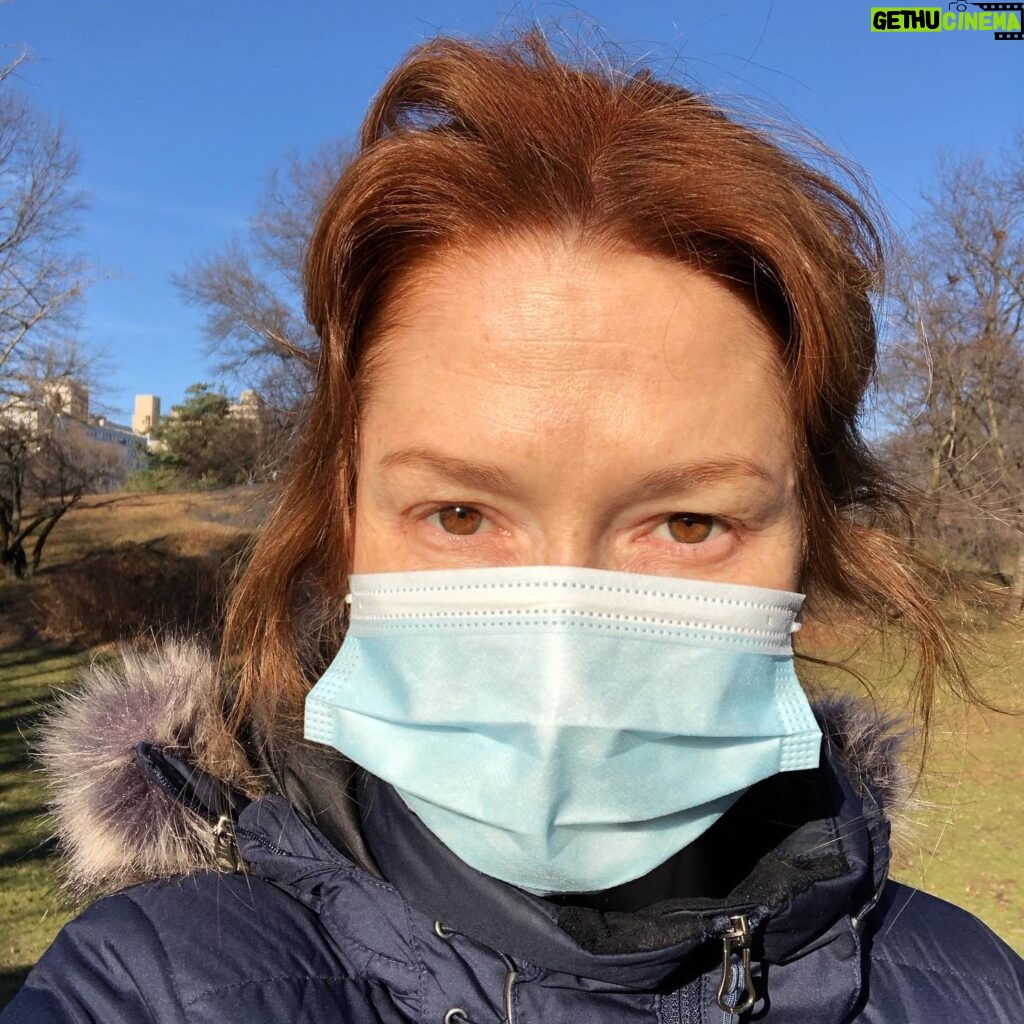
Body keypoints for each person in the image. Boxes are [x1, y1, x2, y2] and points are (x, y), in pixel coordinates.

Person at [3, 26, 1022, 1024]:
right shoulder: (157, 989)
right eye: (459, 512)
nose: (561, 652)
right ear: (340, 530)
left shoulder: (964, 987)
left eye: (687, 521)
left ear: (812, 545)